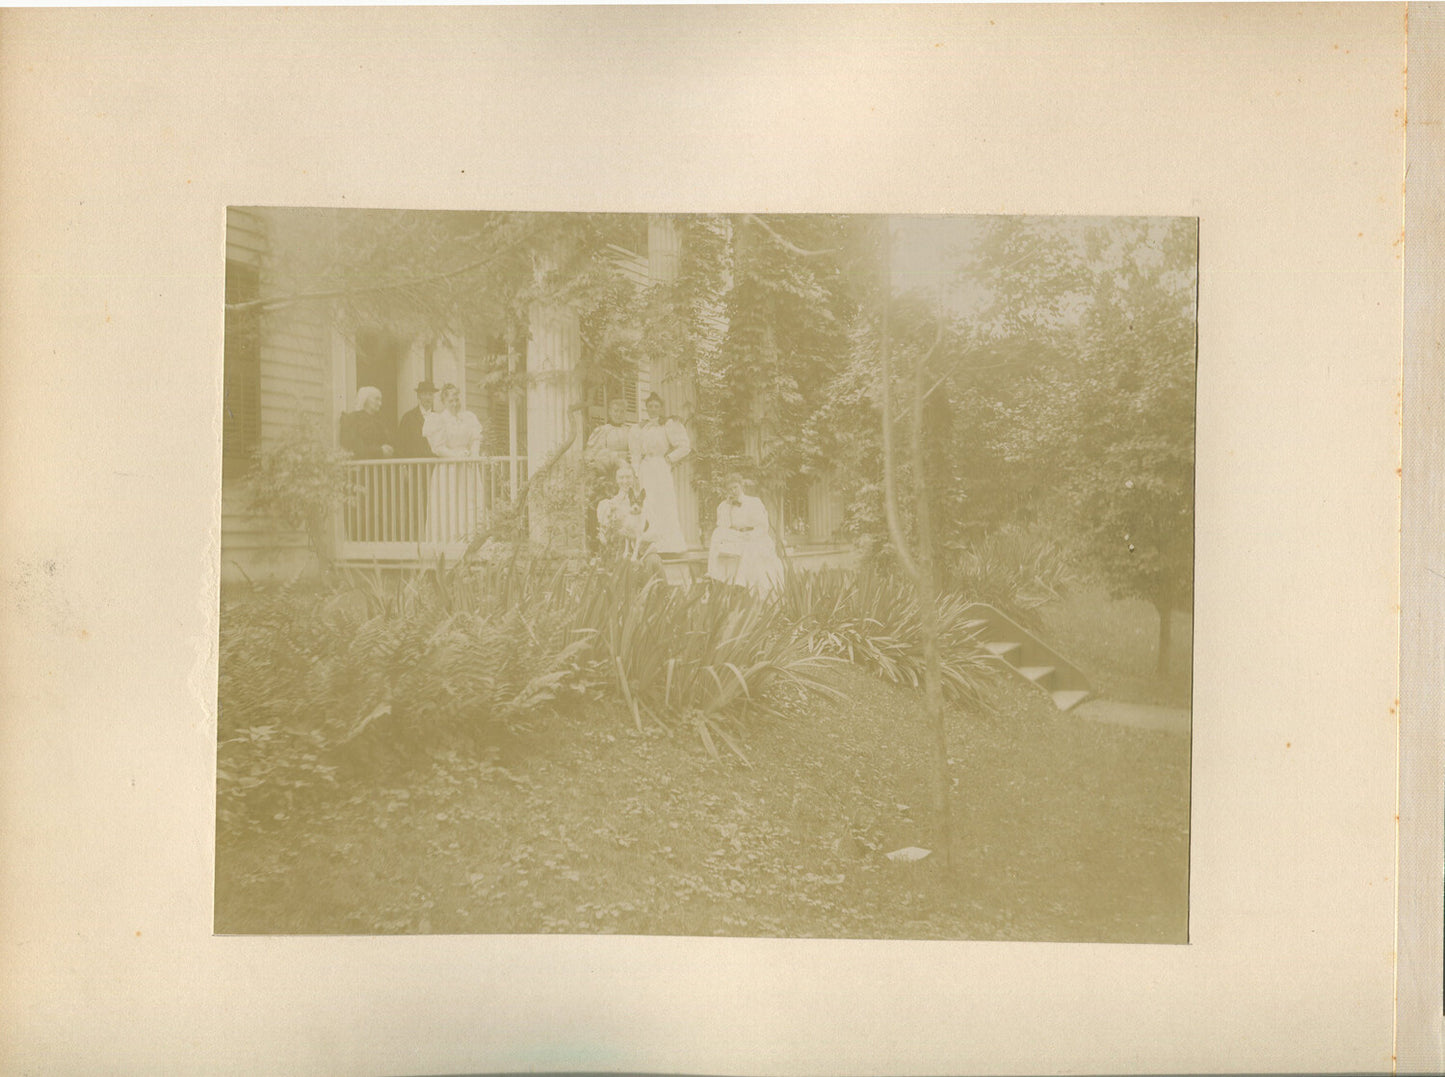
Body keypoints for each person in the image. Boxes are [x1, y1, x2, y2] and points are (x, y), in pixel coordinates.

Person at [421, 384, 485, 546]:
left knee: (469, 502)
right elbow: (438, 448)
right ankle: (448, 542)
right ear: (443, 402)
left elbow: (475, 438)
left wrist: (474, 455)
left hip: (467, 467)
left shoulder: (468, 418)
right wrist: (456, 455)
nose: (455, 404)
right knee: (450, 503)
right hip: (448, 468)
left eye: (457, 399)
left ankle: (472, 540)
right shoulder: (437, 420)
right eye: (451, 400)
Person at [629, 391, 691, 554]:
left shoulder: (668, 425)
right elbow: (635, 452)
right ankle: (648, 544)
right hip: (645, 468)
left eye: (656, 406)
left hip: (661, 466)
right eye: (650, 406)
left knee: (664, 502)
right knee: (648, 503)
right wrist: (636, 471)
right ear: (646, 408)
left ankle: (669, 545)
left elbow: (685, 446)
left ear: (661, 408)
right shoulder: (640, 428)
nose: (653, 409)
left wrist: (669, 458)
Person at [706, 473, 785, 596]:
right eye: (730, 489)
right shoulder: (724, 505)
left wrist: (751, 535)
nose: (733, 491)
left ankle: (741, 582)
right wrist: (728, 507)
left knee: (750, 546)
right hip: (736, 536)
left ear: (741, 485)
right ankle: (712, 574)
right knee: (717, 533)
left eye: (735, 487)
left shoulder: (754, 502)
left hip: (754, 535)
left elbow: (763, 526)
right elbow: (723, 525)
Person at [338, 386, 395, 459]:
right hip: (361, 464)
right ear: (365, 399)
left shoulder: (380, 421)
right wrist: (379, 451)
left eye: (380, 400)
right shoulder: (353, 419)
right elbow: (354, 448)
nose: (380, 404)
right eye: (376, 399)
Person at [396, 379, 438, 459]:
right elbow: (401, 444)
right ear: (418, 396)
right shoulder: (408, 418)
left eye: (430, 394)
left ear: (433, 397)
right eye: (424, 394)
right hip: (414, 463)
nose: (428, 398)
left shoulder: (438, 418)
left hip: (434, 463)